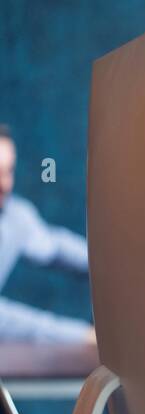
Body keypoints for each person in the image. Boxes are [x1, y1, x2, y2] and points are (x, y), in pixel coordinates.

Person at [0, 125, 95, 344]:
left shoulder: (14, 215)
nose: (4, 184)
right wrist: (82, 336)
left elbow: (55, 248)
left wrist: (123, 269)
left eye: (8, 171)